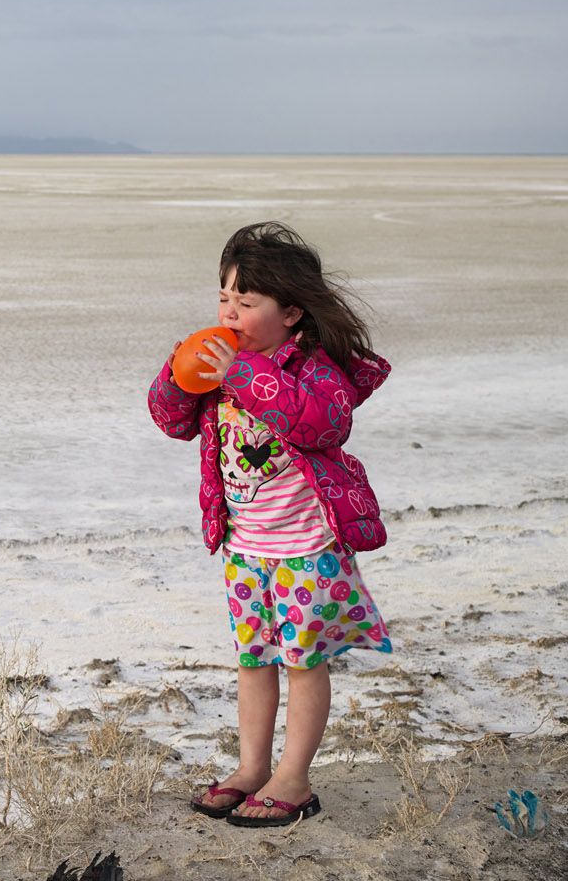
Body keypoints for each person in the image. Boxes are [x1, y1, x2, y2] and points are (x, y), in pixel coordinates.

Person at [147, 222, 394, 827]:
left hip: (308, 547)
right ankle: (252, 767)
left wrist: (241, 373)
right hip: (245, 545)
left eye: (246, 301)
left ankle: (295, 779)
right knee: (254, 659)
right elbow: (170, 421)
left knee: (304, 663)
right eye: (223, 298)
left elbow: (321, 424)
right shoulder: (219, 365)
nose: (229, 312)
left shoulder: (315, 370)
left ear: (291, 313)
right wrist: (178, 375)